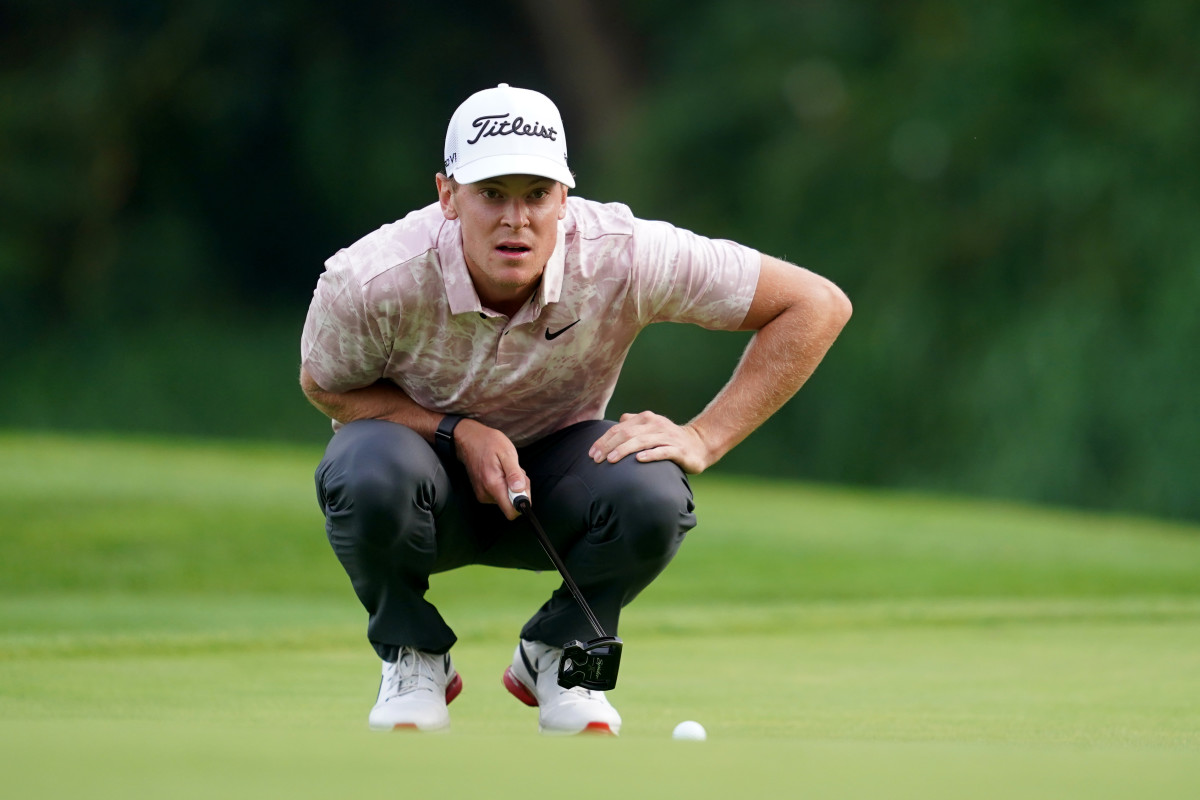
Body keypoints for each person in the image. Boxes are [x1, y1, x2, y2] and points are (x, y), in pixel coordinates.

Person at [299, 83, 851, 735]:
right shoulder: (371, 278)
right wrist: (455, 431)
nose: (516, 219)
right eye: (491, 194)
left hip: (559, 489)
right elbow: (327, 386)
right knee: (364, 466)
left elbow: (816, 304)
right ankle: (411, 653)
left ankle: (564, 655)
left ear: (565, 197)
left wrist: (706, 437)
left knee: (653, 489)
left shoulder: (623, 252)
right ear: (448, 196)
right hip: (422, 489)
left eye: (536, 195)